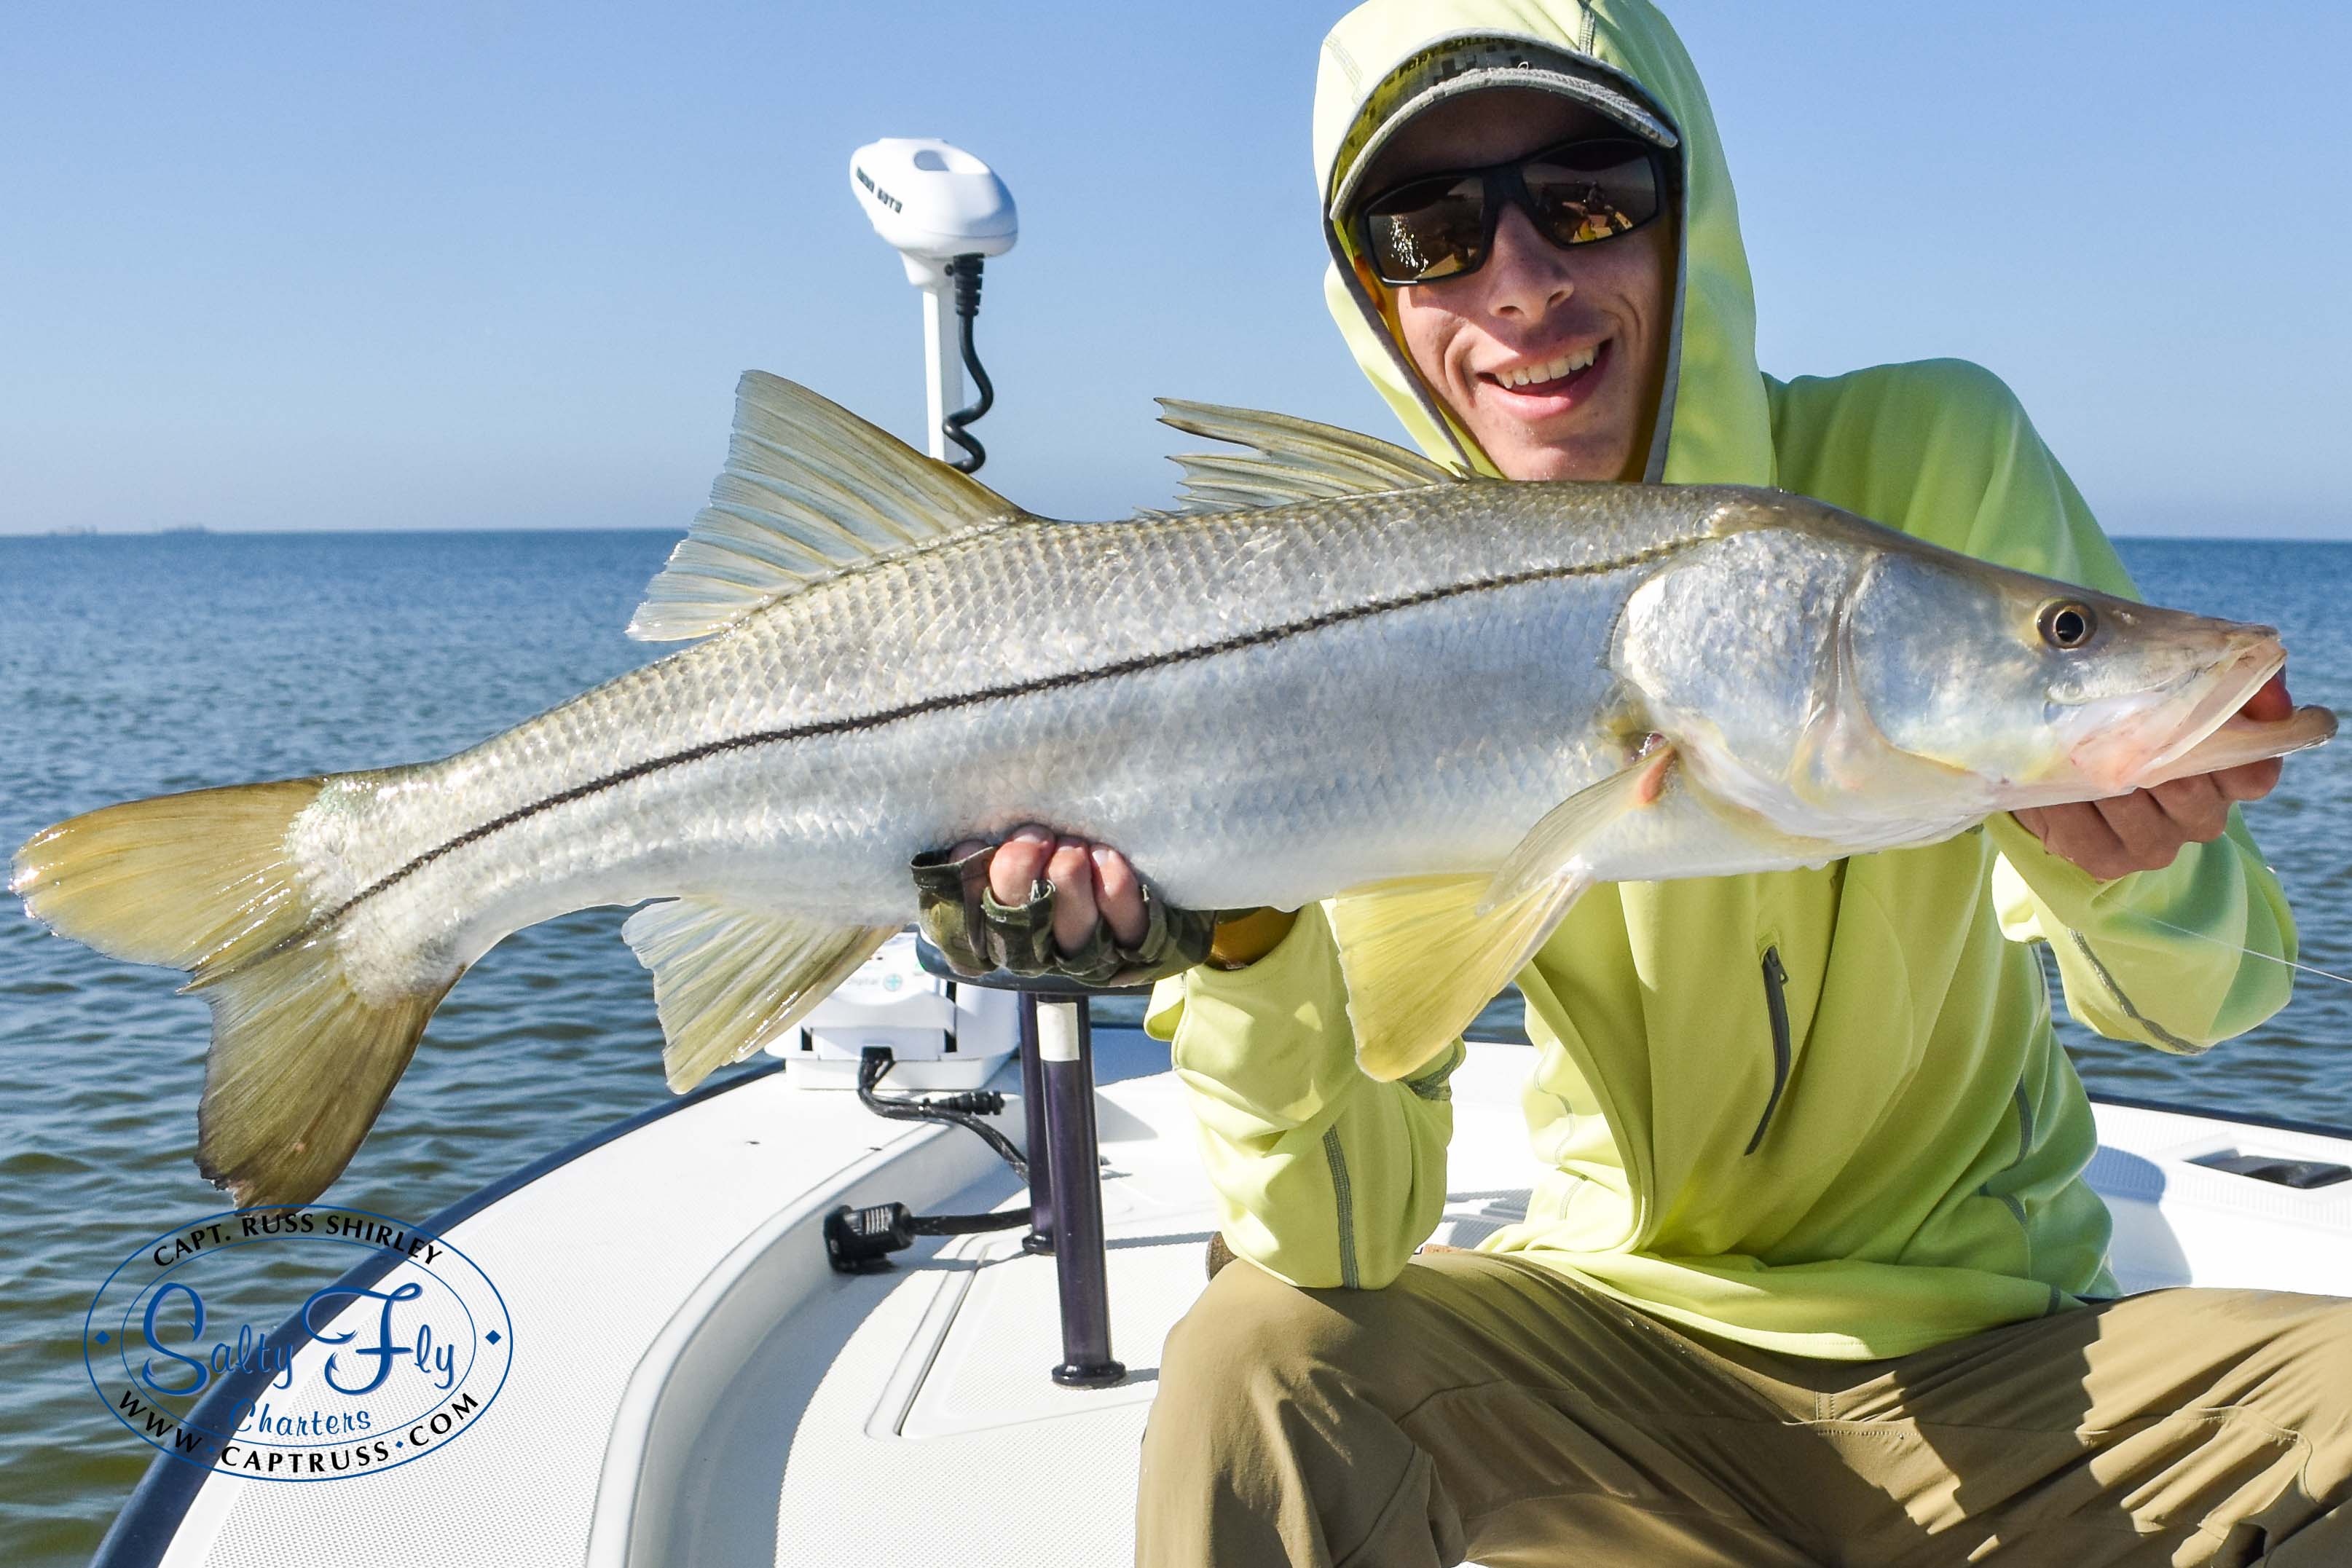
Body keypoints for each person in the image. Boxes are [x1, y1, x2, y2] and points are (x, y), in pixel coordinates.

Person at [919, 2, 2349, 1561]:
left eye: (1590, 193)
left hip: (2017, 1376)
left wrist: (2125, 866)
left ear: (1693, 216)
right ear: (1368, 291)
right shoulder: (1336, 639)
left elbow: (2201, 1009)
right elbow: (1341, 1234)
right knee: (1257, 1351)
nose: (1520, 283)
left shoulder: (1930, 451)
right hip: (1609, 1381)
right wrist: (1240, 942)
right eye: (1430, 231)